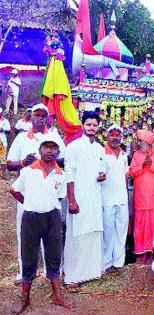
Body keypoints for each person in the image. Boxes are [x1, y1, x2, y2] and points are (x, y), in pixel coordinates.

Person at [9, 134, 70, 314]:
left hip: (52, 217)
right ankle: (25, 299)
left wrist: (46, 205)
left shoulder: (61, 174)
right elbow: (14, 189)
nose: (49, 150)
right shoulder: (28, 171)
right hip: (31, 218)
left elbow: (60, 196)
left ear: (58, 151)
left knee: (54, 255)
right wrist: (28, 203)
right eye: (46, 147)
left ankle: (57, 295)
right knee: (28, 256)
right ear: (40, 149)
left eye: (53, 147)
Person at [7, 103, 65, 285]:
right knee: (24, 233)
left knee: (50, 234)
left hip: (49, 192)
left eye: (43, 115)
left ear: (47, 117)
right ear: (30, 117)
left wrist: (49, 158)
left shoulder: (53, 136)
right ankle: (24, 271)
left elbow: (63, 159)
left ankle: (51, 271)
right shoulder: (22, 138)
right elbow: (9, 164)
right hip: (26, 192)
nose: (40, 118)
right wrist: (24, 162)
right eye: (36, 115)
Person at [64, 111, 106, 291]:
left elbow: (100, 171)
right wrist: (72, 200)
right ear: (83, 125)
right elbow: (69, 175)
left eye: (95, 125)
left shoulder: (99, 148)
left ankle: (90, 272)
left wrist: (102, 176)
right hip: (79, 197)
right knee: (77, 236)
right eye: (89, 124)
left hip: (95, 197)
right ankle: (72, 277)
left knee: (93, 232)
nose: (92, 128)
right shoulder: (73, 147)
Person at [129, 129, 154, 264]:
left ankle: (151, 252)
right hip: (140, 196)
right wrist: (142, 166)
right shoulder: (137, 155)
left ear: (148, 142)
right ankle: (141, 252)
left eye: (140, 140)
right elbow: (131, 172)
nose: (137, 143)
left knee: (153, 223)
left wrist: (152, 164)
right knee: (140, 224)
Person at [102, 124, 129, 273]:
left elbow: (125, 177)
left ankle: (119, 263)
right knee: (108, 232)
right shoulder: (102, 154)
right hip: (107, 199)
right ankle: (106, 264)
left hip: (122, 199)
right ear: (107, 136)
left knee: (121, 230)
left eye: (117, 135)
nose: (115, 137)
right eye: (112, 134)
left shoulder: (124, 155)